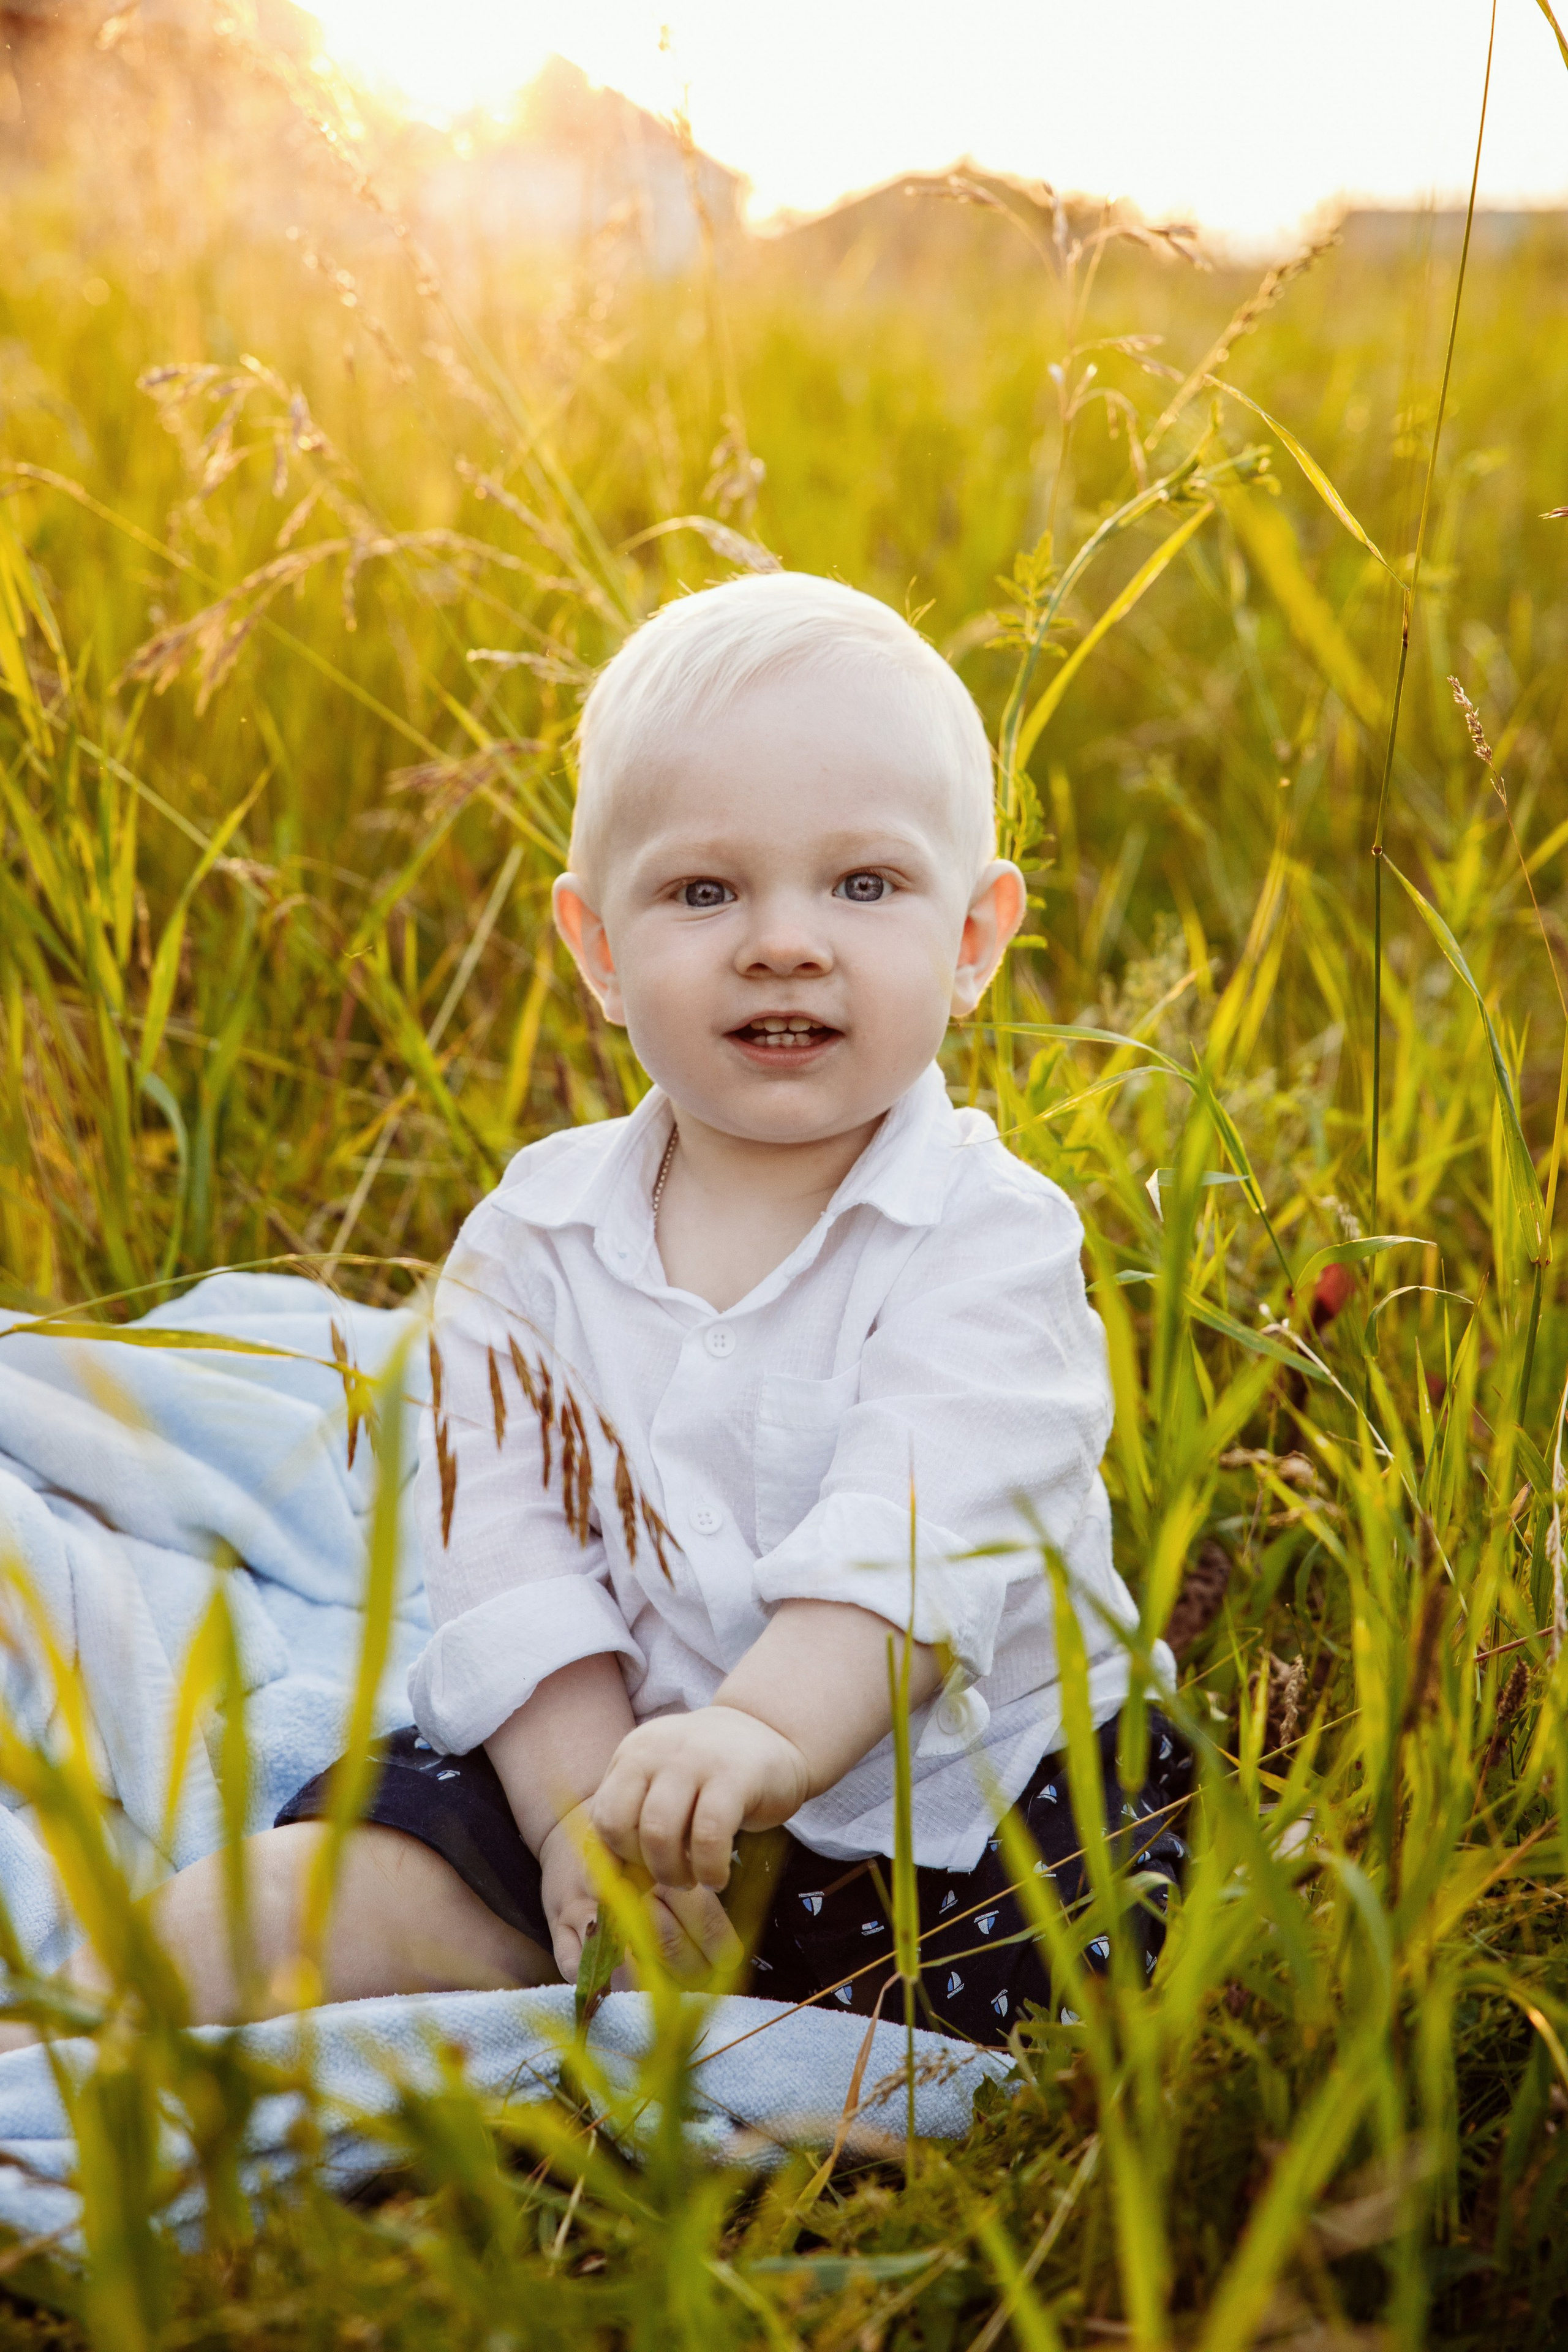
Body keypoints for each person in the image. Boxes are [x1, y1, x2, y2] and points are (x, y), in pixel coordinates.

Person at [35, 573, 1188, 2049]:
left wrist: (759, 1739)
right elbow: (501, 1554)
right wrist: (584, 1815)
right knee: (319, 1887)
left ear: (972, 941)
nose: (783, 942)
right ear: (594, 947)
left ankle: (773, 2039)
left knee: (1043, 2004)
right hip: (613, 1758)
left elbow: (913, 1547)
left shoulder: (987, 1241)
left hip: (956, 1804)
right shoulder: (533, 1243)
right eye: (704, 892)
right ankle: (65, 2038)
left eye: (862, 885)